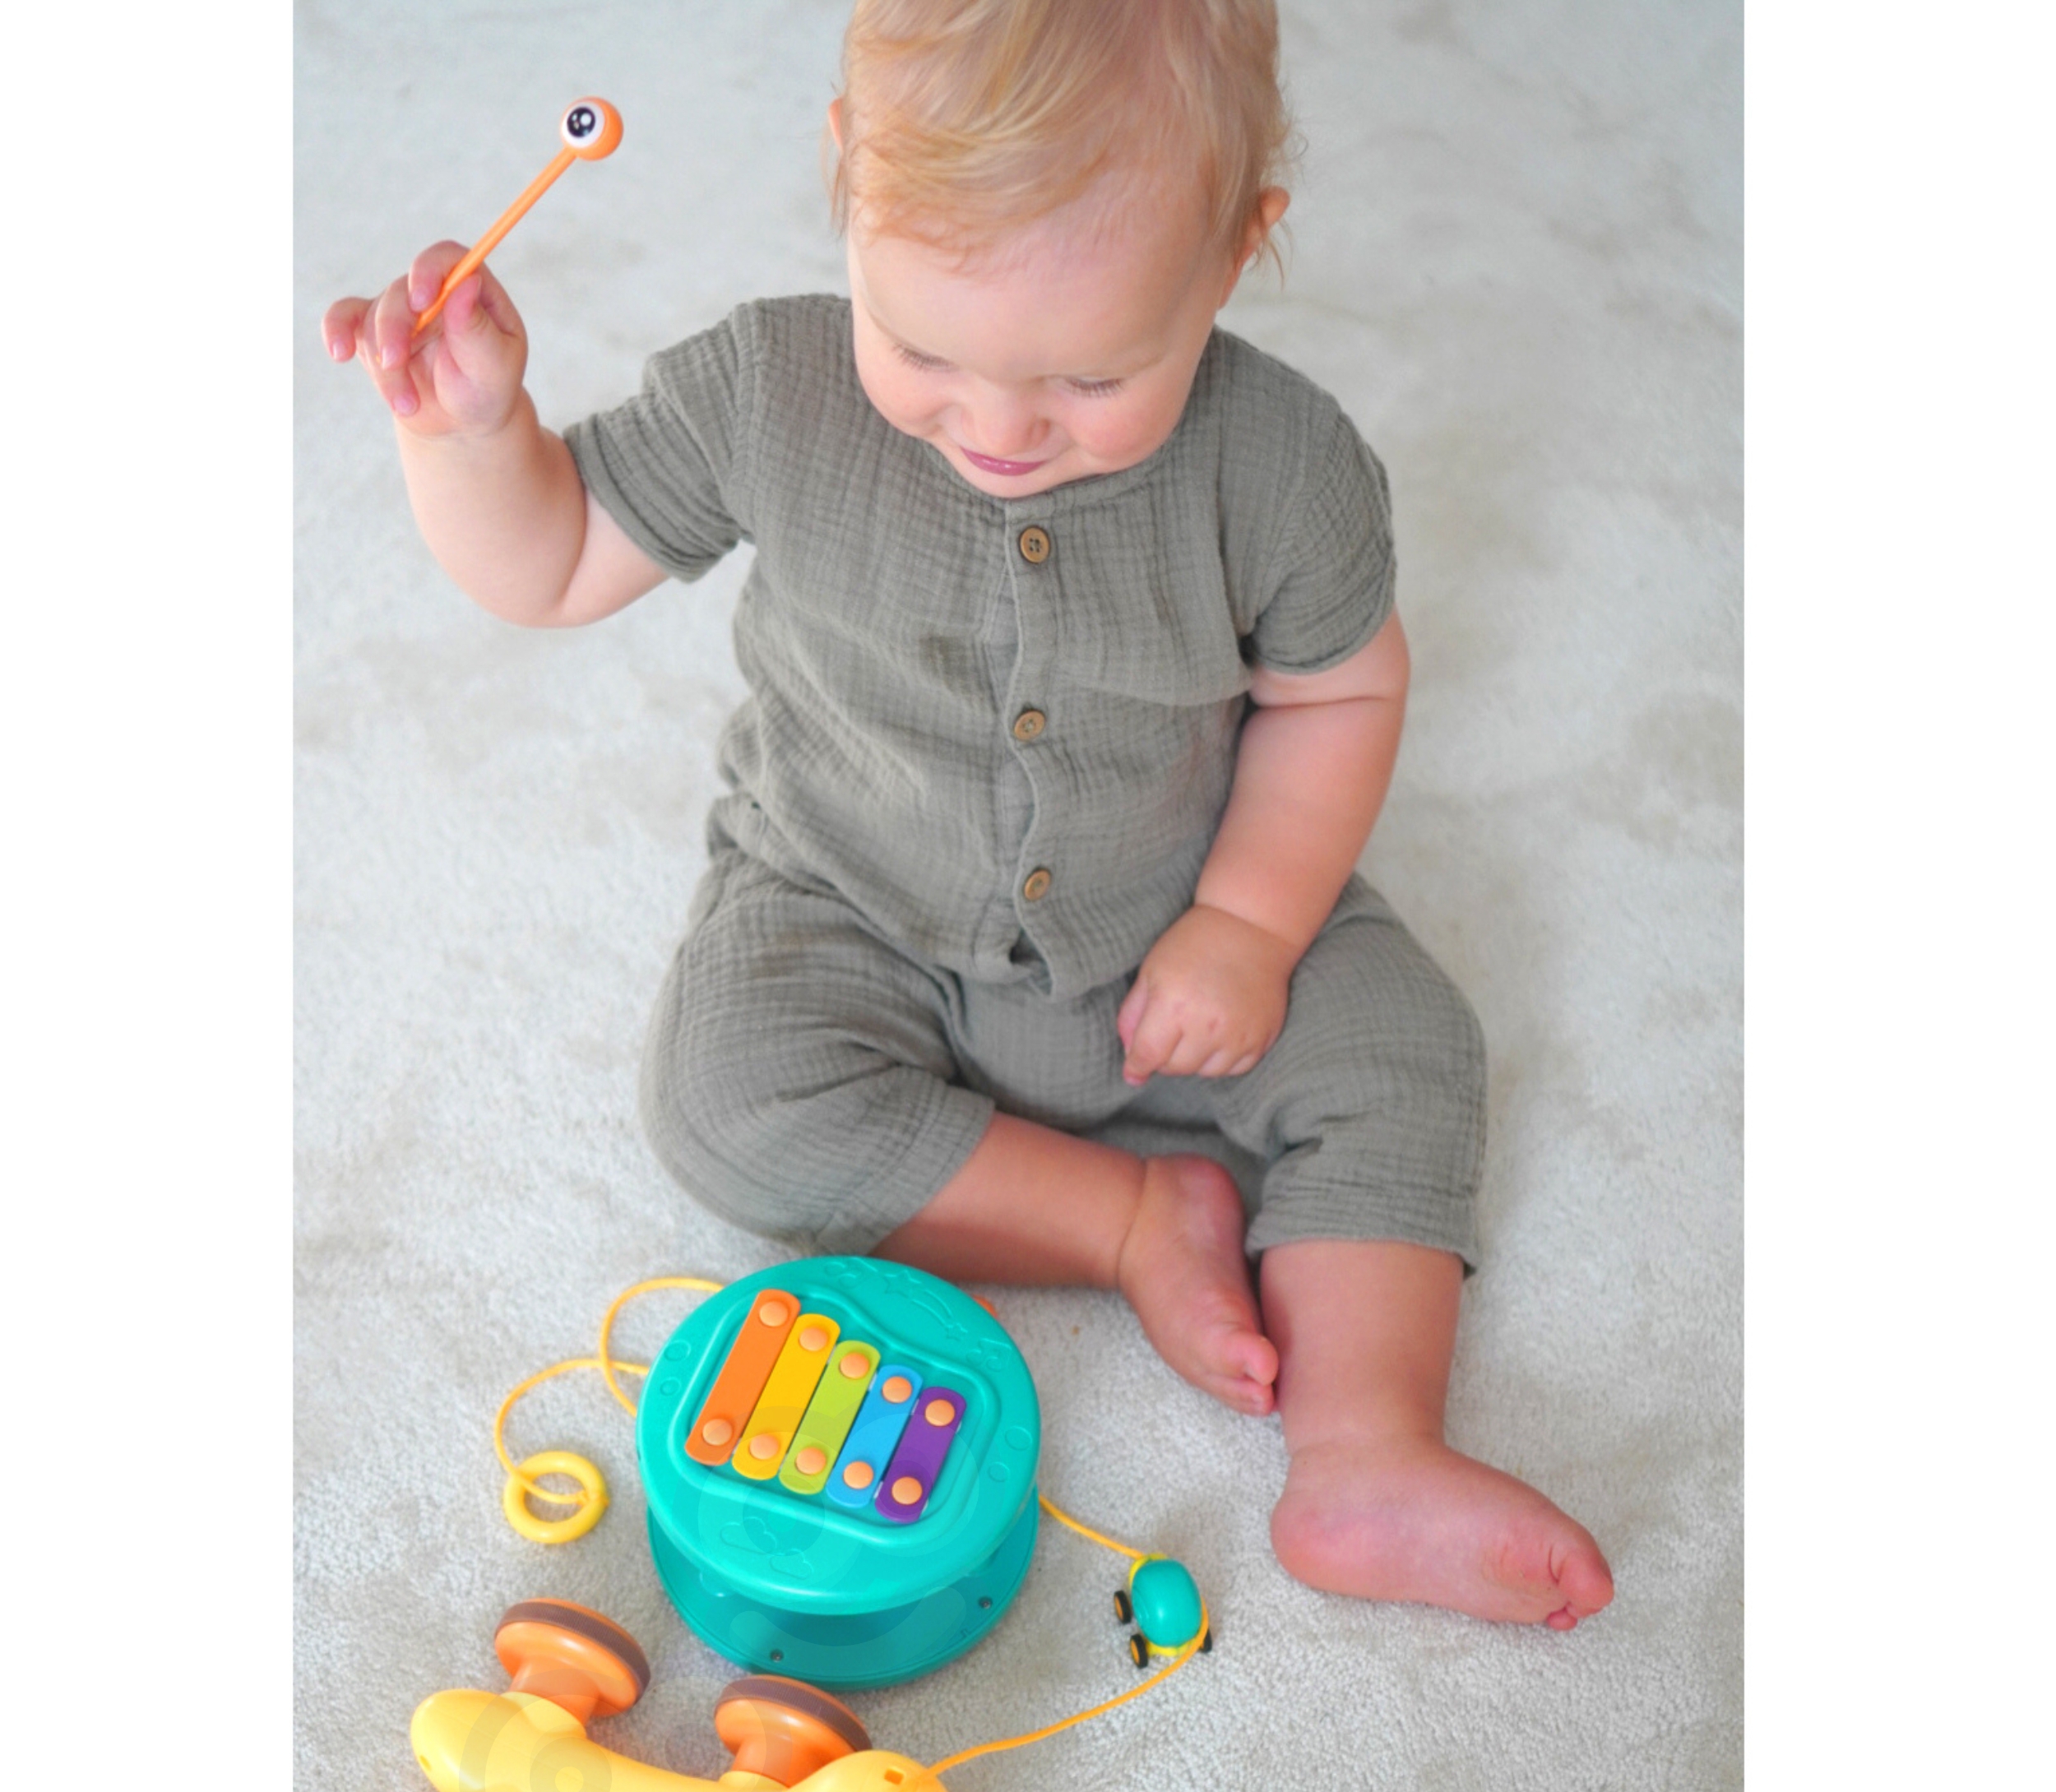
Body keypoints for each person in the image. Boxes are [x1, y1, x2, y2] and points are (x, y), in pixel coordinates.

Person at [322, 0, 1613, 1629]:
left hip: (1173, 923)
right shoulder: (765, 387)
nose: (999, 429)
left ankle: (1365, 1447)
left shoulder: (1284, 465)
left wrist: (1250, 923)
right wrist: (468, 433)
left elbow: (1338, 698)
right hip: (846, 909)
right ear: (848, 180)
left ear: (1235, 250)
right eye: (926, 351)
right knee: (719, 1094)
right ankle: (1124, 1217)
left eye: (1092, 374)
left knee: (1406, 1047)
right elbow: (557, 562)